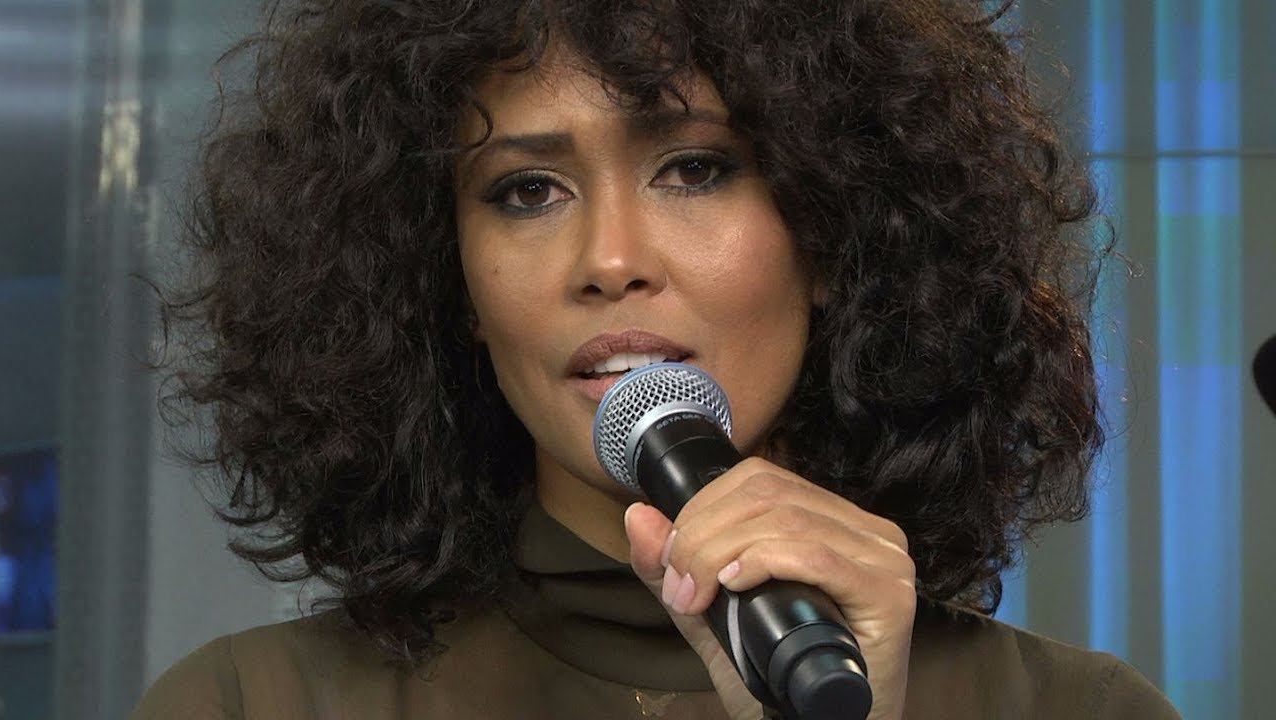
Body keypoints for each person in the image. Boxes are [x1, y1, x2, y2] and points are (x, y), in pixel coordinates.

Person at [133, 0, 1181, 718]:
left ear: (832, 230)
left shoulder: (1077, 709)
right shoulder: (249, 704)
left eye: (693, 169)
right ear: (449, 284)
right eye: (527, 191)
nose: (611, 260)